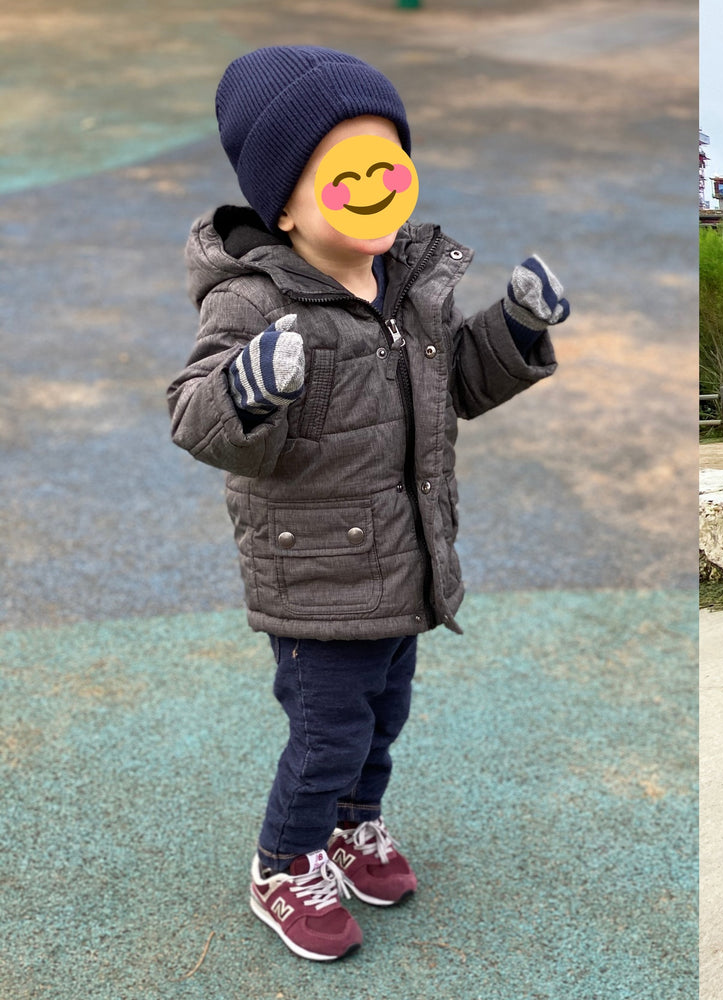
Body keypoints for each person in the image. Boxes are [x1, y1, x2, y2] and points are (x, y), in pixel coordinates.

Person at [166, 46, 569, 961]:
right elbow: (193, 413)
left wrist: (514, 329)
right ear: (284, 204)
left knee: (383, 717)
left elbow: (455, 382)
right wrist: (251, 386)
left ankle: (354, 826)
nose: (374, 188)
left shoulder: (408, 286)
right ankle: (284, 862)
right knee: (327, 728)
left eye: (386, 166)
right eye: (342, 174)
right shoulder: (253, 302)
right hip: (315, 572)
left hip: (403, 555)